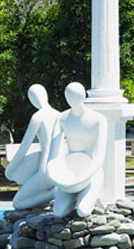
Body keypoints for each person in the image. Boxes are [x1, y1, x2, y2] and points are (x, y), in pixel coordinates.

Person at [46, 82, 107, 218]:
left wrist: (83, 177)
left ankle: (90, 196)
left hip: (91, 173)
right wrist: (54, 172)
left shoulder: (99, 119)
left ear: (84, 96)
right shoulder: (61, 118)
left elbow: (100, 157)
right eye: (69, 96)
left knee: (83, 211)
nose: (72, 100)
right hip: (70, 173)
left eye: (77, 96)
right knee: (59, 213)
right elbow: (52, 154)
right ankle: (78, 195)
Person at [4, 84, 58, 209]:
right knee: (39, 201)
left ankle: (53, 193)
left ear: (32, 100)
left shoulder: (38, 117)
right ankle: (52, 194)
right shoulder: (60, 115)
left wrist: (9, 170)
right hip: (60, 167)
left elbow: (24, 148)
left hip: (46, 171)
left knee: (17, 203)